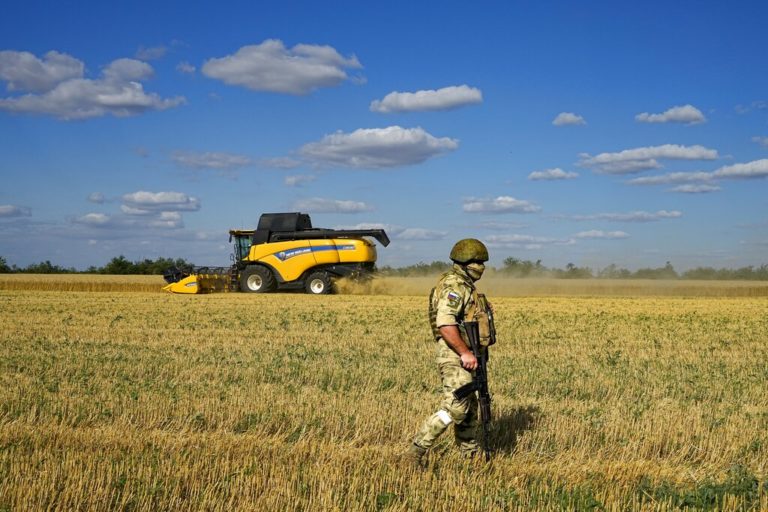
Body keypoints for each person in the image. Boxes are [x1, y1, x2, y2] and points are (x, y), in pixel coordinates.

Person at [406, 238, 492, 466]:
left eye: (482, 262)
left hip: (468, 354)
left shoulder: (464, 285)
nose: (481, 266)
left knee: (470, 408)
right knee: (455, 407)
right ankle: (415, 453)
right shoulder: (454, 286)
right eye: (476, 262)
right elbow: (445, 323)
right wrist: (464, 352)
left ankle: (470, 457)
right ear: (464, 262)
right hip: (455, 355)